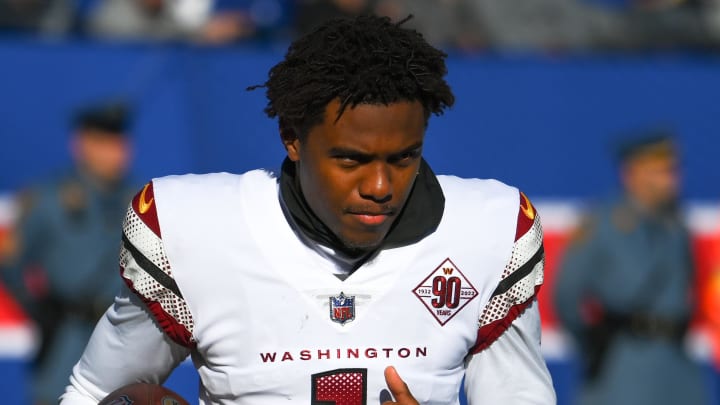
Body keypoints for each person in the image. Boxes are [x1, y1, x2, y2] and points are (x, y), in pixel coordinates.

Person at [60, 15, 555, 405]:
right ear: (292, 138)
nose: (380, 186)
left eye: (404, 158)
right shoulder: (196, 233)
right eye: (351, 160)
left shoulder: (486, 235)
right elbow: (91, 395)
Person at [553, 133, 707, 405]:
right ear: (633, 174)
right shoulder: (603, 224)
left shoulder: (676, 228)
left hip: (676, 370)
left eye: (672, 170)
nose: (672, 179)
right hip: (622, 369)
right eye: (661, 171)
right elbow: (567, 294)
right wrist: (596, 346)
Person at [0, 102, 135, 405]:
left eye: (121, 141)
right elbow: (10, 262)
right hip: (66, 345)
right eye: (106, 142)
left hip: (123, 346)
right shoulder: (49, 200)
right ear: (82, 145)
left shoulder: (138, 201)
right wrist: (38, 308)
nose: (119, 151)